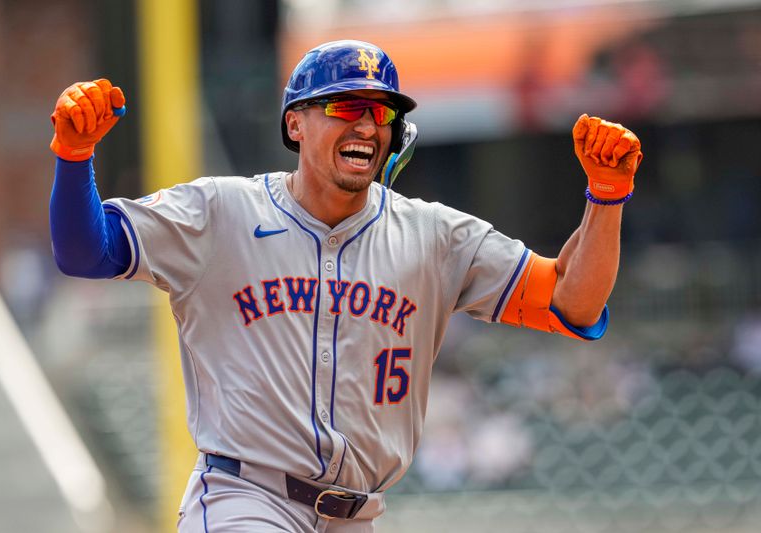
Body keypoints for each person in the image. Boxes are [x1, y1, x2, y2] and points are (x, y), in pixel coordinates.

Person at [48, 40, 642, 532]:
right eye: (345, 106)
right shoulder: (218, 213)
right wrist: (75, 158)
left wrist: (607, 198)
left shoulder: (434, 235)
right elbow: (85, 250)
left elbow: (574, 300)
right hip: (246, 502)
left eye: (381, 112)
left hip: (361, 515)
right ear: (295, 123)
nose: (365, 123)